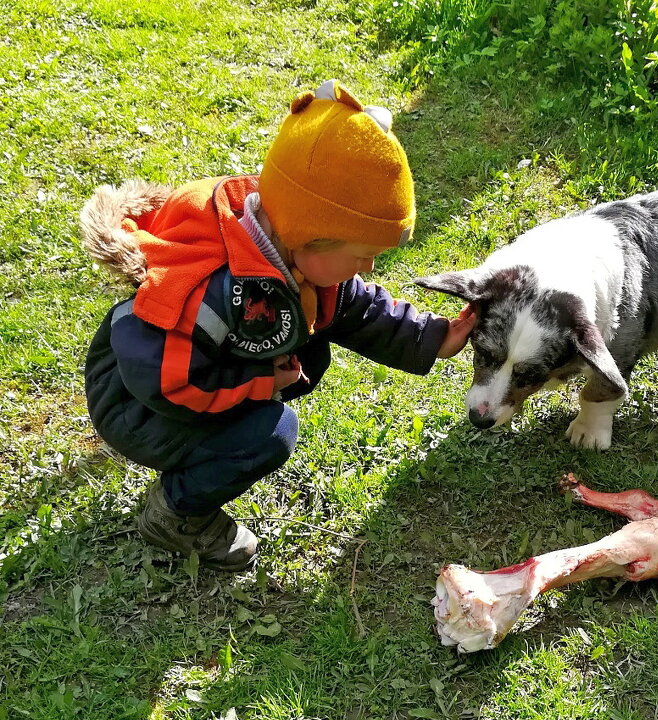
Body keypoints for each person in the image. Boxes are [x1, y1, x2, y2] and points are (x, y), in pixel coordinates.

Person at [80, 79, 475, 572]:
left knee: (312, 350)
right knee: (271, 433)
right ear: (313, 238)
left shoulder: (290, 244)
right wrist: (260, 384)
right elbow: (165, 377)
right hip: (138, 400)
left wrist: (431, 338)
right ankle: (177, 515)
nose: (369, 268)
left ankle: (222, 435)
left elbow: (353, 306)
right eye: (363, 256)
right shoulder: (208, 293)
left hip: (189, 370)